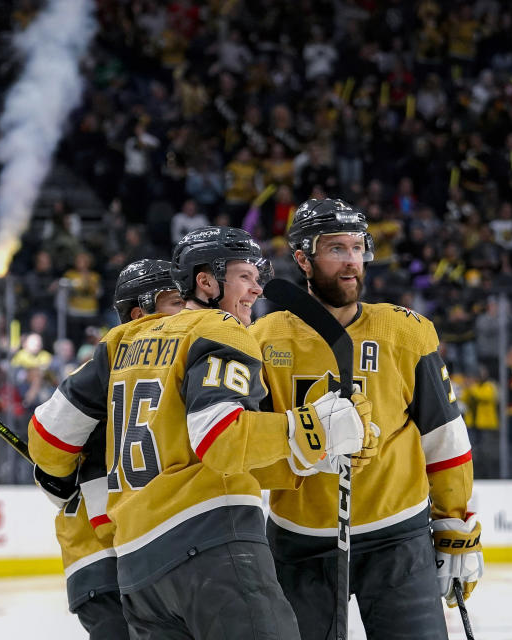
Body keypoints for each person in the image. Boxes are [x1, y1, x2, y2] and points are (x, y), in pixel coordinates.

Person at [29, 227, 371, 640]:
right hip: (213, 545)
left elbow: (48, 437)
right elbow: (220, 440)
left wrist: (60, 479)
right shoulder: (221, 328)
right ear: (206, 281)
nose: (257, 288)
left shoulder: (123, 340)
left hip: (139, 572)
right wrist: (312, 428)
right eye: (245, 276)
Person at [249, 199, 479, 640]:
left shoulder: (405, 333)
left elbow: (445, 438)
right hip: (299, 543)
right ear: (303, 259)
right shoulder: (263, 340)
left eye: (358, 248)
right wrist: (304, 446)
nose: (352, 261)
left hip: (398, 537)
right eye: (336, 249)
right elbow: (249, 447)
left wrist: (456, 524)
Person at [32, 259, 184, 639]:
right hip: (102, 557)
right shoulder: (115, 362)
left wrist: (56, 478)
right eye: (177, 303)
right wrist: (57, 476)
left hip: (143, 552)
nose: (189, 312)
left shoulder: (175, 365)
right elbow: (50, 443)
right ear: (139, 313)